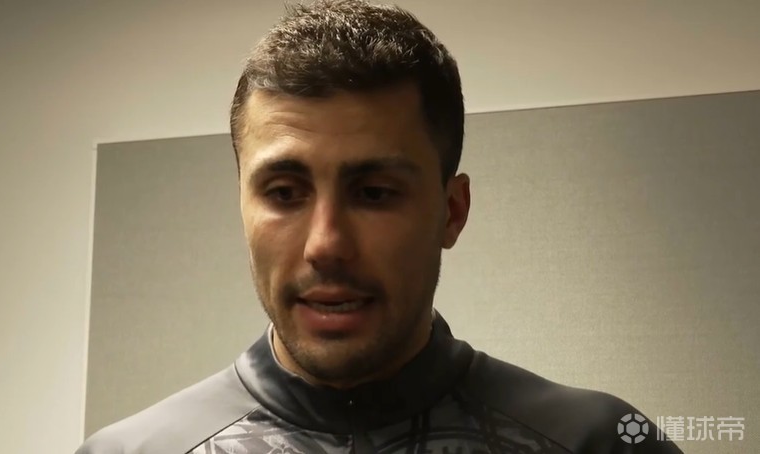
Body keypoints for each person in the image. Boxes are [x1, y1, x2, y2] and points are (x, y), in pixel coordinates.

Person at [77, 1, 683, 453]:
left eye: (373, 193)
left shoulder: (602, 443)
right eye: (284, 194)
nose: (326, 245)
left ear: (452, 212)